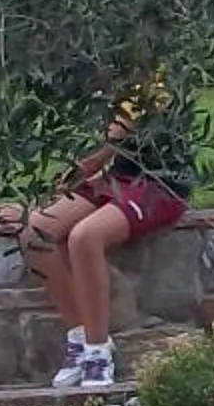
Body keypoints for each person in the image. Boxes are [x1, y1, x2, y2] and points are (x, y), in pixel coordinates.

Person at [13, 71, 199, 389]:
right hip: (120, 178)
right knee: (35, 233)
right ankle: (80, 339)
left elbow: (117, 134)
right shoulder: (101, 72)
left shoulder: (156, 78)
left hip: (159, 183)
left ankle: (99, 353)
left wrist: (84, 167)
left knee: (86, 237)